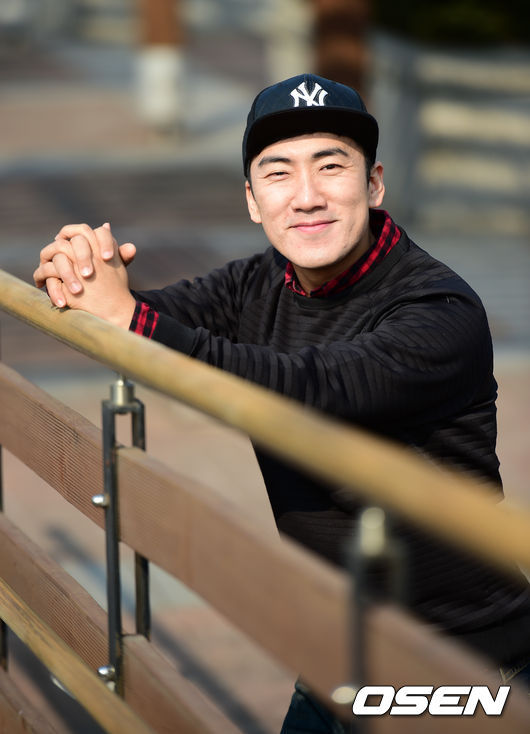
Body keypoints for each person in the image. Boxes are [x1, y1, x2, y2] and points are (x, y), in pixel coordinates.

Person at [33, 74, 530, 732]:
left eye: (331, 166)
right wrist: (81, 278)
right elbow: (150, 321)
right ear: (252, 199)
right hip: (335, 658)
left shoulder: (440, 308)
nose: (307, 195)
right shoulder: (260, 281)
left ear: (374, 184)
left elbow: (311, 388)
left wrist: (126, 318)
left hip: (463, 662)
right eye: (278, 173)